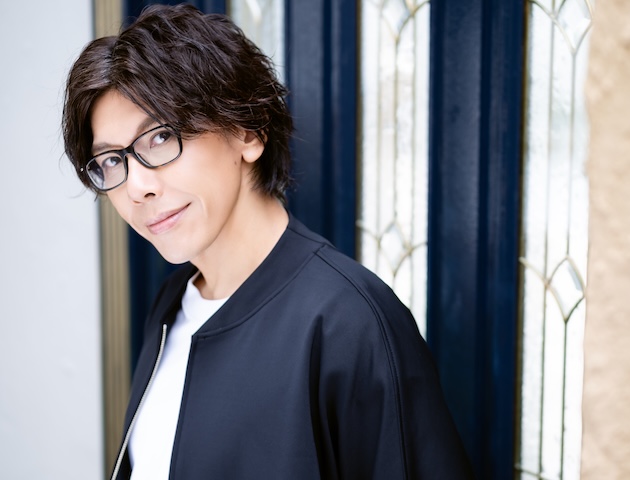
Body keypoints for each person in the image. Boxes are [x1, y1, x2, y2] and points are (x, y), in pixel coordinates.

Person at [62, 4, 472, 479]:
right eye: (112, 161)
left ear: (248, 130)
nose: (137, 187)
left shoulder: (351, 323)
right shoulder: (172, 306)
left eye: (159, 137)